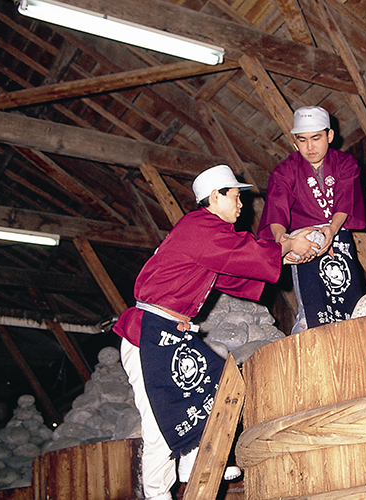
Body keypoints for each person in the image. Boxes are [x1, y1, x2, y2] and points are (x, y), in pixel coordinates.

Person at [113, 165, 319, 500]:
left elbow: (235, 274)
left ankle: (199, 461)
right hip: (149, 336)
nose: (242, 205)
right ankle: (157, 493)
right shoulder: (199, 227)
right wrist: (285, 245)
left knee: (214, 384)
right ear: (215, 197)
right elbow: (243, 254)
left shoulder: (205, 236)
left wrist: (285, 257)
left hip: (170, 334)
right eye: (236, 197)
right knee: (158, 421)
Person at [257, 105, 366, 333]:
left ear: (330, 135)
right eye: (302, 140)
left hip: (337, 236)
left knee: (350, 302)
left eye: (316, 138)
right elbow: (276, 207)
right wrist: (282, 239)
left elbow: (345, 199)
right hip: (303, 241)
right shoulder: (285, 170)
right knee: (313, 306)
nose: (309, 147)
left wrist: (332, 228)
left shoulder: (346, 163)